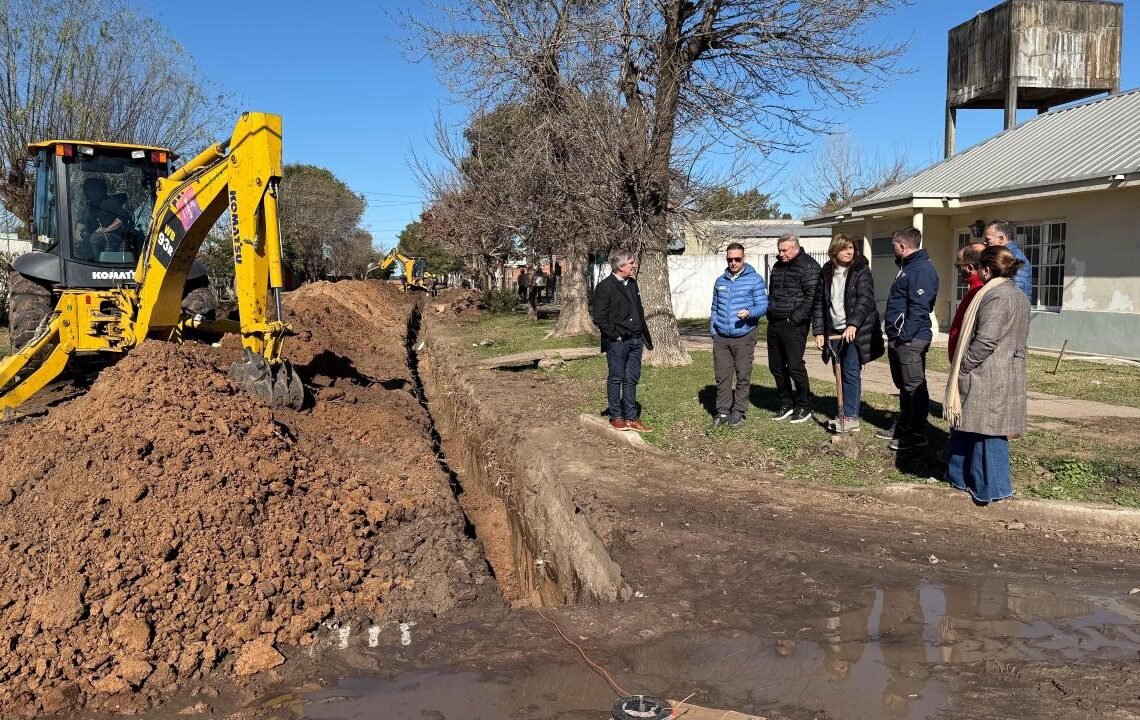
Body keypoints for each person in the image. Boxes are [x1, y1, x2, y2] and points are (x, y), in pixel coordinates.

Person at [942, 246, 1030, 505]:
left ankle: (992, 488)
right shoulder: (1016, 294)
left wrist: (965, 365)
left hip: (990, 373)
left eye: (980, 266)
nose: (977, 271)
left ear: (987, 269)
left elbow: (986, 340)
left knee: (987, 433)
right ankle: (959, 477)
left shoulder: (996, 296)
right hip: (1001, 370)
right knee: (968, 428)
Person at [811, 233, 882, 434]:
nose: (849, 251)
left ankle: (851, 416)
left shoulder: (861, 270)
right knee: (838, 371)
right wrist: (819, 331)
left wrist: (853, 324)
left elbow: (865, 299)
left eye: (851, 247)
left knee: (850, 371)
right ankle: (843, 411)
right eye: (844, 248)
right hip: (833, 329)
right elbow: (819, 303)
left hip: (853, 330)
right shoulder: (827, 271)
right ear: (835, 251)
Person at [879, 226, 939, 451]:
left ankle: (917, 432)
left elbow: (919, 307)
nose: (893, 250)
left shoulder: (921, 269)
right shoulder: (908, 267)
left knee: (914, 385)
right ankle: (905, 424)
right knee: (904, 384)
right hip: (899, 337)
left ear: (902, 247)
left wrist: (904, 336)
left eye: (894, 246)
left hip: (912, 339)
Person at [591, 249, 653, 433]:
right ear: (620, 266)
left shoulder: (632, 284)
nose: (634, 266)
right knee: (616, 378)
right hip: (618, 342)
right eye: (631, 263)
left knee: (631, 379)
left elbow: (638, 310)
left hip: (636, 340)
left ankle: (632, 418)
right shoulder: (605, 287)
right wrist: (615, 335)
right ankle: (617, 417)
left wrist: (641, 334)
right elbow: (600, 317)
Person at [709, 243, 768, 428]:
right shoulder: (720, 281)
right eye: (730, 259)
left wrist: (749, 312)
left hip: (744, 335)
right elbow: (714, 308)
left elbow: (763, 306)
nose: (733, 262)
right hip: (721, 337)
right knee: (722, 376)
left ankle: (739, 411)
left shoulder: (755, 280)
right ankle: (723, 411)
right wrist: (713, 331)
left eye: (737, 259)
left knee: (742, 375)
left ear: (744, 258)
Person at [766, 233, 821, 423]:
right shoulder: (777, 266)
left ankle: (804, 405)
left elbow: (812, 297)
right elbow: (772, 291)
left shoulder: (809, 266)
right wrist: (770, 312)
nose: (781, 254)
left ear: (796, 247)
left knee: (795, 366)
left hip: (794, 325)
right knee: (776, 366)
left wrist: (794, 319)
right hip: (775, 322)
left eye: (784, 250)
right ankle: (786, 402)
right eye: (779, 250)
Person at [982, 219, 1032, 302]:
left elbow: (1016, 291)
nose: (984, 243)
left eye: (988, 239)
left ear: (1001, 239)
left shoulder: (1014, 257)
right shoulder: (1004, 255)